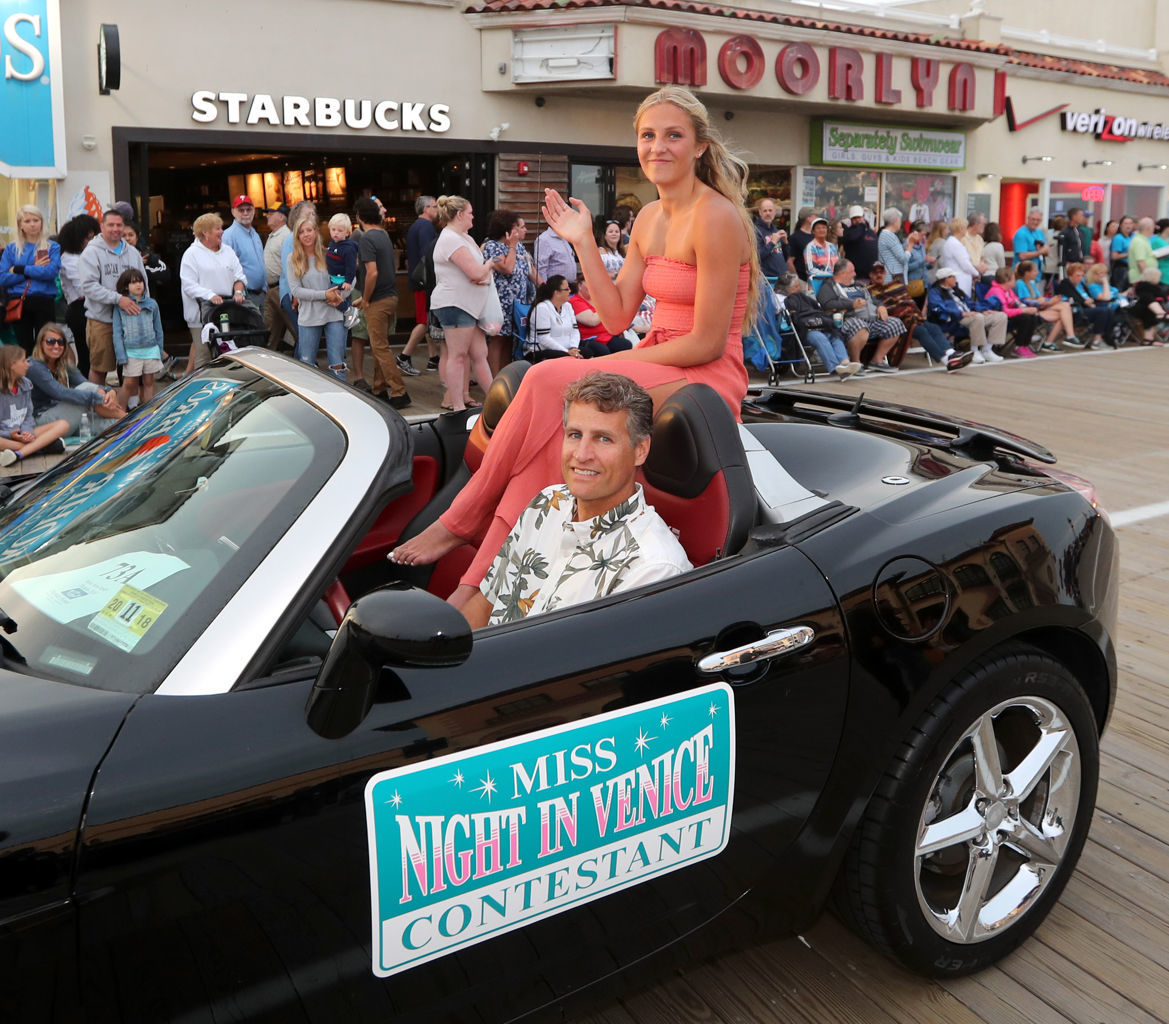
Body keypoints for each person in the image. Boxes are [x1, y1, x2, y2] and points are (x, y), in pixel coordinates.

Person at [390, 85, 756, 615]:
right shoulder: (650, 218)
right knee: (553, 436)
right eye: (648, 135)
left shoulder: (715, 216)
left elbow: (706, 341)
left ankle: (462, 529)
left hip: (706, 375)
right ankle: (473, 588)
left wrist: (603, 363)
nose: (659, 146)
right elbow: (616, 316)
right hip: (659, 358)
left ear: (699, 145)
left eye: (674, 135)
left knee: (545, 378)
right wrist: (584, 241)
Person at [461, 373, 691, 628]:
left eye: (604, 439)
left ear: (640, 450)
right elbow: (486, 603)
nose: (582, 455)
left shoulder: (651, 567)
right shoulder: (547, 503)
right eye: (574, 435)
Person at [430, 194, 495, 413]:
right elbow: (476, 272)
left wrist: (483, 272)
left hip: (469, 306)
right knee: (458, 355)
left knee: (479, 354)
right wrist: (490, 264)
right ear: (459, 215)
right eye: (470, 213)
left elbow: (477, 274)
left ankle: (499, 402)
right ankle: (457, 406)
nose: (473, 217)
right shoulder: (450, 238)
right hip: (455, 304)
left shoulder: (464, 237)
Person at [79, 208, 149, 387]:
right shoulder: (91, 252)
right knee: (99, 368)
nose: (115, 229)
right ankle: (96, 410)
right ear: (102, 226)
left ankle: (129, 409)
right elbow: (88, 286)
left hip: (131, 320)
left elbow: (144, 284)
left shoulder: (133, 253)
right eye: (111, 225)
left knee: (132, 369)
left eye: (119, 225)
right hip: (103, 320)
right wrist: (118, 299)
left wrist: (144, 311)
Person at [353, 197, 410, 408]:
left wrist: (366, 298)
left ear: (359, 216)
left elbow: (373, 273)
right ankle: (379, 389)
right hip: (390, 297)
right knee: (380, 346)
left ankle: (399, 391)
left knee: (380, 347)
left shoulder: (367, 238)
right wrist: (364, 298)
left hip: (377, 300)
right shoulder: (384, 235)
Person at [179, 211, 247, 377]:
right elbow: (188, 284)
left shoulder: (228, 251)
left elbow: (239, 276)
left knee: (227, 353)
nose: (222, 231)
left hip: (226, 311)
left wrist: (238, 291)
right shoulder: (191, 254)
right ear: (205, 233)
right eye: (217, 228)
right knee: (204, 356)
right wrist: (210, 295)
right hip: (200, 315)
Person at [867, 263, 969, 371]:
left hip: (912, 318)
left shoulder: (895, 286)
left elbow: (908, 302)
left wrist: (912, 313)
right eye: (875, 273)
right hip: (896, 322)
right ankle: (947, 361)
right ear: (870, 275)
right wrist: (904, 313)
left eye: (881, 272)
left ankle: (951, 354)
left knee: (933, 328)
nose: (879, 275)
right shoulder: (868, 290)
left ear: (885, 273)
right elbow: (888, 308)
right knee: (921, 331)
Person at [26, 323, 124, 434]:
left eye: (61, 342)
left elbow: (84, 382)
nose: (56, 346)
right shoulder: (34, 366)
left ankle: (130, 424)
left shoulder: (63, 364)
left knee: (111, 424)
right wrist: (99, 398)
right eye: (51, 341)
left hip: (65, 415)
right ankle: (128, 418)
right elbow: (60, 392)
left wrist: (109, 391)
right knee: (89, 390)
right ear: (41, 343)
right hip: (42, 420)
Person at [816, 259, 905, 372]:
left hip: (871, 318)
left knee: (895, 323)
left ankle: (877, 360)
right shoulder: (829, 286)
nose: (855, 274)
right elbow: (826, 304)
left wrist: (881, 306)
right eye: (852, 271)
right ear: (843, 273)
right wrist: (851, 305)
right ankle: (855, 362)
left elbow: (872, 299)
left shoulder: (857, 285)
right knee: (860, 327)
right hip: (849, 319)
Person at [286, 217, 347, 382]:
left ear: (316, 232)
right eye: (301, 231)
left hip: (333, 314)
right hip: (309, 317)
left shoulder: (330, 254)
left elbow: (348, 279)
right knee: (307, 364)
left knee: (337, 364)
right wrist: (324, 294)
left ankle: (343, 400)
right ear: (297, 236)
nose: (306, 234)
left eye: (309, 230)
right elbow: (296, 291)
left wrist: (341, 296)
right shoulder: (293, 259)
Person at [0, 205, 61, 354]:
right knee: (24, 347)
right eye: (27, 221)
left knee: (47, 347)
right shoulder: (11, 249)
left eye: (36, 220)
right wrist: (33, 268)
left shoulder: (52, 247)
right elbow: (3, 278)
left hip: (44, 300)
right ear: (20, 224)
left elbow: (50, 272)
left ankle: (45, 376)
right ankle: (26, 377)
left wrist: (20, 269)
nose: (32, 224)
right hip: (19, 301)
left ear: (41, 222)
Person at [482, 209, 536, 375]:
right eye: (516, 227)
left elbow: (529, 270)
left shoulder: (519, 246)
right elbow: (507, 268)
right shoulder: (492, 246)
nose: (519, 231)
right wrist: (511, 246)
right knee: (497, 339)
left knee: (510, 340)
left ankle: (504, 378)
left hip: (517, 302)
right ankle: (492, 380)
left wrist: (546, 286)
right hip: (500, 301)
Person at [777, 273, 860, 378]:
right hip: (801, 331)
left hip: (816, 324)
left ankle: (845, 363)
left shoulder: (803, 297)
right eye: (797, 286)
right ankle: (835, 368)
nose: (800, 287)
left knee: (834, 335)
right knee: (820, 337)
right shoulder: (782, 299)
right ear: (792, 288)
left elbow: (816, 308)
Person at [0, 344, 70, 467]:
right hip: (5, 437)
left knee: (63, 425)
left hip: (21, 434)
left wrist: (26, 432)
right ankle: (39, 448)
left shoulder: (25, 384)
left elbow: (28, 415)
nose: (28, 364)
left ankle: (18, 454)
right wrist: (11, 434)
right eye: (23, 361)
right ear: (12, 365)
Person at [927, 268, 1008, 364]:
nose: (956, 279)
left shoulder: (957, 290)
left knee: (1000, 316)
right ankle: (975, 351)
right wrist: (961, 313)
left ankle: (987, 350)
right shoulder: (935, 292)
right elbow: (938, 308)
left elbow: (970, 304)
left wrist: (982, 309)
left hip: (970, 315)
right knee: (977, 317)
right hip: (954, 318)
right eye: (953, 277)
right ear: (947, 279)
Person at [398, 195, 441, 376]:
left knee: (426, 319)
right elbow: (429, 254)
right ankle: (404, 356)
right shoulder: (425, 227)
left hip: (418, 279)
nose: (437, 210)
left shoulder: (417, 226)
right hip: (425, 280)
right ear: (425, 209)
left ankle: (433, 358)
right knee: (424, 321)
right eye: (435, 206)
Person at [112, 268, 165, 407]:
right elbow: (117, 333)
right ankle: (120, 414)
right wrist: (121, 356)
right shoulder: (120, 307)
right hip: (131, 351)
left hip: (151, 349)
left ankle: (148, 415)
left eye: (140, 281)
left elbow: (158, 329)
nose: (138, 285)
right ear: (125, 286)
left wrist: (159, 350)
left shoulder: (152, 304)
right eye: (133, 282)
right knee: (129, 382)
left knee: (148, 382)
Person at [56, 214, 100, 376]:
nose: (93, 241)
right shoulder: (69, 259)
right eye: (89, 238)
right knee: (85, 354)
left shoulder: (87, 255)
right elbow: (83, 288)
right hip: (80, 309)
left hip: (92, 306)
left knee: (92, 354)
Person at [1015, 260, 1076, 350]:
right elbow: (1027, 302)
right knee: (1065, 310)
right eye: (1035, 271)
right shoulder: (1020, 283)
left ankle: (1054, 341)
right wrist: (1049, 302)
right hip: (1031, 313)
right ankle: (1059, 339)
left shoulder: (1031, 283)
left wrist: (1052, 300)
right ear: (1027, 273)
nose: (1038, 272)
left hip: (1040, 309)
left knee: (1064, 311)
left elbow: (1040, 299)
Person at [1057, 262, 1119, 350]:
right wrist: (1085, 301)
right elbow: (1074, 297)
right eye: (1077, 275)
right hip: (1075, 311)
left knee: (1109, 310)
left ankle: (1104, 338)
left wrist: (1090, 301)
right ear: (1070, 275)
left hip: (1086, 309)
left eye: (1082, 275)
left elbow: (1088, 297)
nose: (1080, 278)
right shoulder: (1065, 283)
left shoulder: (1081, 284)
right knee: (1103, 311)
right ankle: (1097, 341)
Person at [568, 275, 633, 358]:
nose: (593, 287)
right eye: (589, 284)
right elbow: (592, 321)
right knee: (603, 351)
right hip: (589, 339)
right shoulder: (575, 301)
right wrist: (606, 306)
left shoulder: (597, 299)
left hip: (606, 336)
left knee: (625, 344)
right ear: (580, 286)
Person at [985, 267, 1040, 358]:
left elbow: (1017, 302)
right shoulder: (996, 291)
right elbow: (1004, 311)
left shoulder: (1008, 290)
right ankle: (1018, 346)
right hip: (998, 317)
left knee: (1031, 316)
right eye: (1013, 279)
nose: (1015, 281)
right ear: (1007, 280)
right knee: (1025, 318)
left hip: (1009, 315)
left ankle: (1025, 345)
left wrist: (1028, 309)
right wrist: (1023, 310)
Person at [527, 276, 583, 361]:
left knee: (591, 349)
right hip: (542, 350)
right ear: (556, 293)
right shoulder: (542, 308)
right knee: (565, 357)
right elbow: (544, 340)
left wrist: (574, 348)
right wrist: (567, 351)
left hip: (567, 348)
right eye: (566, 289)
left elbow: (575, 331)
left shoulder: (568, 306)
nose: (570, 291)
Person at [262, 204, 295, 350]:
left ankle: (309, 361)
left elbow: (291, 265)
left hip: (281, 289)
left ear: (282, 216)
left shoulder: (286, 236)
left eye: (271, 213)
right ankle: (267, 364)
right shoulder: (273, 235)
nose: (268, 215)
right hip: (270, 290)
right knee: (269, 330)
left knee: (295, 327)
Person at [222, 195, 266, 303]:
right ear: (233, 212)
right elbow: (226, 268)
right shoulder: (228, 236)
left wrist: (264, 288)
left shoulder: (254, 233)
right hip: (244, 297)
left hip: (260, 294)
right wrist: (239, 293)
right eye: (241, 210)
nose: (245, 213)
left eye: (248, 209)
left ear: (254, 211)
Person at [325, 213, 359, 324]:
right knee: (333, 297)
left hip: (344, 279)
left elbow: (351, 266)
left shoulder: (348, 248)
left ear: (347, 232)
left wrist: (348, 281)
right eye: (333, 229)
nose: (336, 233)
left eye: (340, 231)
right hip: (334, 279)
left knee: (332, 297)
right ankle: (349, 315)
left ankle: (349, 311)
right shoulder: (332, 244)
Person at [942, 217, 981, 296]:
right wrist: (976, 273)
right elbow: (965, 264)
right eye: (966, 228)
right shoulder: (955, 244)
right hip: (960, 281)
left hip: (957, 279)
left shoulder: (950, 242)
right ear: (960, 229)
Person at [876, 208, 916, 285]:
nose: (901, 223)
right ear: (895, 220)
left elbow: (897, 254)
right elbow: (903, 258)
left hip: (891, 278)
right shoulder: (888, 236)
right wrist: (911, 244)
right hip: (892, 280)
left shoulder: (887, 235)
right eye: (900, 220)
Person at [753, 198, 788, 281]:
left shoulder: (775, 229)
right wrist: (772, 242)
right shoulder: (756, 230)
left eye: (770, 210)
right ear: (760, 213)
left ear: (774, 212)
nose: (768, 213)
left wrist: (785, 242)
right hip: (768, 280)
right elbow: (757, 256)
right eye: (765, 211)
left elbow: (786, 257)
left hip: (781, 278)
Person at [840, 205, 879, 279]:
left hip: (871, 275)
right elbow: (853, 238)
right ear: (850, 219)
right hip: (856, 275)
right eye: (854, 218)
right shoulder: (848, 232)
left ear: (863, 217)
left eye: (859, 217)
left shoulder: (870, 232)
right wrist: (861, 225)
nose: (857, 220)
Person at [1130, 268, 1167, 345]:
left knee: (1149, 310)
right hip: (1137, 309)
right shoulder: (1142, 285)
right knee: (1147, 298)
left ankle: (1148, 340)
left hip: (1147, 309)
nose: (1159, 279)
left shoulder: (1155, 287)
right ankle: (1160, 313)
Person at [1012, 208, 1051, 277]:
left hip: (1038, 273)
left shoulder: (1040, 232)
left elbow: (1047, 251)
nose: (1035, 222)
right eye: (1033, 219)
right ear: (1028, 218)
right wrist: (1040, 252)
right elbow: (1022, 256)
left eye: (1038, 220)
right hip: (1024, 274)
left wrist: (1044, 250)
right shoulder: (1021, 233)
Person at [803, 218, 838, 285]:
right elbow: (811, 269)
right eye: (818, 228)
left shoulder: (832, 246)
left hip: (833, 284)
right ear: (813, 231)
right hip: (817, 285)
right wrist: (830, 275)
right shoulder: (810, 247)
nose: (821, 230)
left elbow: (838, 265)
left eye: (824, 227)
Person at [787, 205, 816, 281]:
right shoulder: (795, 238)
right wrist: (797, 280)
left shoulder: (815, 236)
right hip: (802, 280)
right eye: (815, 216)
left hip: (815, 279)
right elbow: (789, 261)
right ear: (808, 219)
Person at [1127, 217, 1159, 285]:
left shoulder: (1143, 240)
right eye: (1153, 227)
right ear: (1148, 228)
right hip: (1141, 279)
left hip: (1143, 279)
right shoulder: (1139, 241)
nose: (1154, 229)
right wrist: (1148, 279)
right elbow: (1140, 262)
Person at [963, 212, 989, 282]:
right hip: (965, 276)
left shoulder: (979, 239)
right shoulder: (962, 237)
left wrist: (982, 265)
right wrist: (975, 267)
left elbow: (982, 257)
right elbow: (962, 259)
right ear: (976, 224)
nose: (984, 226)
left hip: (977, 277)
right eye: (983, 224)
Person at [1109, 215, 1134, 289]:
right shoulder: (1118, 238)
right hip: (1120, 268)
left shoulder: (1131, 237)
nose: (1128, 226)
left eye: (1130, 223)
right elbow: (1114, 256)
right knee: (1120, 289)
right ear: (1121, 225)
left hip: (1129, 267)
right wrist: (1130, 254)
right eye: (1126, 223)